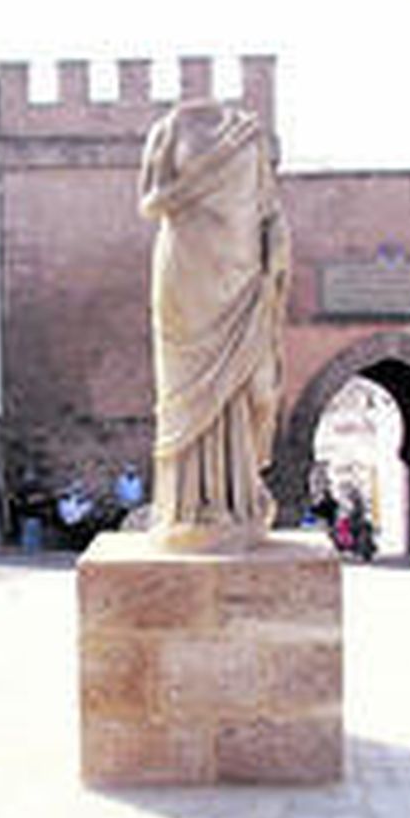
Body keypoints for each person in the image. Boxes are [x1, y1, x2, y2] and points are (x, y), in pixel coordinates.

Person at [139, 99, 290, 553]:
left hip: (242, 274)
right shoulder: (170, 129)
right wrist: (201, 178)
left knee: (259, 391)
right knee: (186, 394)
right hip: (187, 273)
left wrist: (279, 244)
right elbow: (150, 202)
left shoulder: (251, 134)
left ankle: (237, 497)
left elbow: (268, 207)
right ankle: (189, 508)